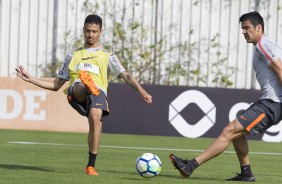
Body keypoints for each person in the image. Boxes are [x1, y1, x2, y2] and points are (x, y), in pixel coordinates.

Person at [15, 14, 152, 176]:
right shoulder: (73, 56)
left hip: (98, 92)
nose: (91, 35)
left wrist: (142, 91)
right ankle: (87, 87)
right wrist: (30, 78)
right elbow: (55, 85)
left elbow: (126, 76)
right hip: (76, 92)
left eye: (94, 31)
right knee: (79, 85)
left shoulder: (108, 55)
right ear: (83, 31)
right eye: (88, 31)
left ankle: (90, 166)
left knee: (95, 117)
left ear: (100, 31)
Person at [169, 11, 282, 182]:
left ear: (259, 28)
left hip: (272, 103)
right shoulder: (265, 44)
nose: (244, 32)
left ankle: (190, 165)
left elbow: (280, 69)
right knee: (237, 133)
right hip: (268, 101)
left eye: (247, 28)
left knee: (229, 131)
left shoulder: (263, 44)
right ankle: (246, 174)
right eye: (242, 29)